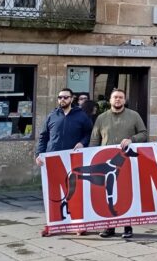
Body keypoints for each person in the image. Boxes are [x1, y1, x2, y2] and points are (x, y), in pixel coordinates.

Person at [35, 87, 94, 236]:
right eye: (60, 97)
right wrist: (38, 154)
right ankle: (51, 225)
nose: (62, 100)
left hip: (73, 159)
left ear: (72, 99)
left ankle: (78, 224)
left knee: (74, 193)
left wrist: (82, 143)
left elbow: (89, 133)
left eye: (66, 97)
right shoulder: (52, 116)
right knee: (52, 194)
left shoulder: (81, 116)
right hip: (53, 159)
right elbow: (43, 137)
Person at [90, 88, 147, 239]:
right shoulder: (101, 118)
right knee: (108, 193)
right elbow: (95, 140)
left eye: (121, 97)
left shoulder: (134, 116)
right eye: (115, 97)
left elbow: (144, 134)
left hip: (126, 164)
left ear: (125, 100)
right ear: (110, 100)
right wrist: (89, 156)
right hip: (106, 164)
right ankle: (109, 227)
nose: (118, 100)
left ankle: (127, 227)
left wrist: (132, 139)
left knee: (126, 193)